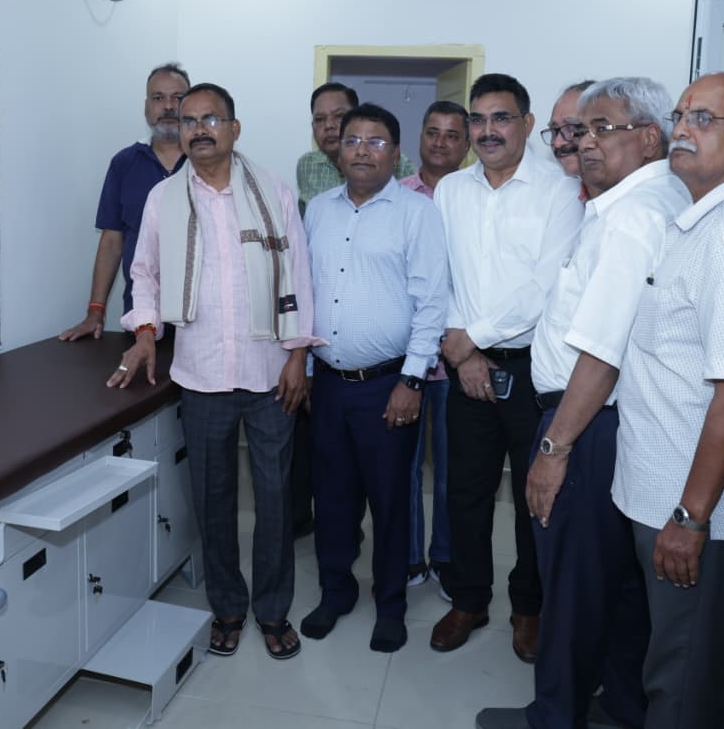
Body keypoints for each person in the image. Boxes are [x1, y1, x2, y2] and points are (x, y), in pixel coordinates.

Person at [475, 78, 691, 729]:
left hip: (585, 423)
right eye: (578, 130)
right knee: (615, 580)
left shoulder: (632, 217)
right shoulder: (628, 204)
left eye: (601, 128)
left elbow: (601, 353)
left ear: (649, 137)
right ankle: (619, 704)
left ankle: (555, 716)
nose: (583, 142)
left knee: (571, 582)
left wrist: (552, 448)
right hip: (598, 421)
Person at [108, 82, 319, 660]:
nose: (198, 129)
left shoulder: (272, 191)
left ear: (234, 128)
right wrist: (145, 332)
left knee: (275, 500)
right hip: (200, 376)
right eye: (189, 120)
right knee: (213, 499)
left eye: (211, 119)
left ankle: (272, 611)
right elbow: (144, 273)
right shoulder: (164, 199)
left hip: (270, 373)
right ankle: (227, 607)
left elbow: (299, 275)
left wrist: (298, 355)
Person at [612, 72, 724, 729]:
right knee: (673, 670)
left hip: (690, 508)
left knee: (684, 688)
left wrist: (691, 517)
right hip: (661, 490)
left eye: (704, 118)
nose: (682, 129)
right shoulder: (699, 219)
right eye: (681, 115)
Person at [431, 73, 583, 662]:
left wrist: (472, 339)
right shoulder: (451, 191)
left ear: (526, 123)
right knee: (464, 492)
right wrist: (464, 352)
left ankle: (528, 608)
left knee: (531, 498)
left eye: (501, 118)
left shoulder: (559, 189)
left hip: (531, 372)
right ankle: (469, 599)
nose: (487, 130)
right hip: (465, 368)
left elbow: (545, 287)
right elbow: (441, 275)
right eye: (478, 119)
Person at [300, 103, 449, 653]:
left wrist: (412, 381)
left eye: (376, 141)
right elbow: (307, 294)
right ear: (337, 151)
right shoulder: (319, 210)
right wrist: (307, 369)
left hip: (390, 385)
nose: (362, 150)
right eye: (352, 140)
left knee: (390, 501)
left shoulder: (416, 213)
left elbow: (432, 303)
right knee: (331, 497)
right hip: (327, 382)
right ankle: (336, 591)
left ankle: (390, 604)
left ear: (396, 153)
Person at [60, 63, 190, 338]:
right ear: (146, 108)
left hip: (201, 321)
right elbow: (111, 242)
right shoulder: (124, 163)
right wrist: (95, 312)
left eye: (177, 98)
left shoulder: (208, 163)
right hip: (141, 315)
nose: (168, 106)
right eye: (158, 98)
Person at [399, 99, 470, 590]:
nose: (440, 142)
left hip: (458, 360)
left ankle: (444, 556)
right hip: (406, 357)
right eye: (432, 132)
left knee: (452, 470)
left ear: (466, 144)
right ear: (419, 138)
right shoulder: (398, 196)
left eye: (451, 134)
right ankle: (408, 557)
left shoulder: (476, 197)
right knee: (402, 466)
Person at [296, 82, 416, 214]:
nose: (329, 125)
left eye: (339, 116)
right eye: (320, 119)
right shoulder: (307, 165)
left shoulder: (399, 165)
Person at [539, 80, 596, 199]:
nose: (557, 143)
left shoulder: (629, 201)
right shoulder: (561, 195)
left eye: (572, 128)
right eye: (554, 130)